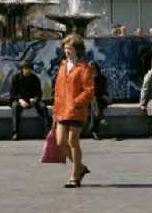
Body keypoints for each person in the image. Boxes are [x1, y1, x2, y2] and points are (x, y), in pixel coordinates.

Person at [52, 35, 94, 188]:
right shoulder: (63, 65)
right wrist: (55, 110)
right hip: (62, 110)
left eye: (70, 49)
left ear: (78, 50)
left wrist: (76, 102)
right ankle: (81, 167)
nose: (67, 51)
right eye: (65, 48)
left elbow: (89, 90)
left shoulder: (85, 67)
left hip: (76, 110)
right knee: (60, 142)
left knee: (72, 141)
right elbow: (58, 90)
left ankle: (75, 176)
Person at [9, 59, 50, 140]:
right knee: (15, 107)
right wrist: (20, 100)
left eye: (29, 69)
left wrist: (35, 99)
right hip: (20, 100)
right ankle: (15, 132)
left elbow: (39, 93)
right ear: (22, 69)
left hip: (32, 100)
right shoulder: (15, 78)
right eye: (25, 69)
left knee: (43, 107)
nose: (27, 71)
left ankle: (47, 132)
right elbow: (13, 93)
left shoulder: (35, 78)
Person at [88, 61, 110, 139]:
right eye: (90, 69)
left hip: (101, 100)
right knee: (94, 101)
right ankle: (100, 121)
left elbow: (102, 90)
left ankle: (93, 129)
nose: (92, 70)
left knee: (95, 102)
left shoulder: (102, 78)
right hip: (90, 100)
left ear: (97, 69)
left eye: (93, 68)